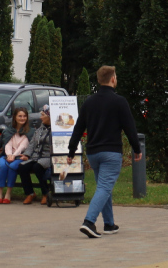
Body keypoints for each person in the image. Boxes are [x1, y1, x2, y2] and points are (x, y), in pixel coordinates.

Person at [67, 65, 142, 238]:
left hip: (93, 153)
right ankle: (89, 222)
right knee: (104, 187)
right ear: (113, 79)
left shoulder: (89, 102)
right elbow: (130, 127)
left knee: (104, 186)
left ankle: (109, 223)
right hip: (111, 153)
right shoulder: (119, 101)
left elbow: (78, 128)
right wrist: (136, 148)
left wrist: (71, 151)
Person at [18, 104, 53, 204]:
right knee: (22, 167)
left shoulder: (55, 130)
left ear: (49, 116)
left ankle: (45, 192)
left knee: (38, 167)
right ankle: (30, 193)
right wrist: (26, 155)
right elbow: (32, 144)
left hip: (48, 157)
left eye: (43, 115)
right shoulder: (39, 130)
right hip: (36, 157)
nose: (40, 117)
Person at [0, 108, 30, 204]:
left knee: (12, 166)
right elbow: (7, 144)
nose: (22, 118)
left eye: (24, 116)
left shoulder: (29, 131)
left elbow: (23, 146)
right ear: (15, 117)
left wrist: (14, 156)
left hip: (19, 156)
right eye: (20, 116)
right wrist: (9, 155)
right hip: (6, 155)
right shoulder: (9, 130)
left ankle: (8, 193)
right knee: (2, 165)